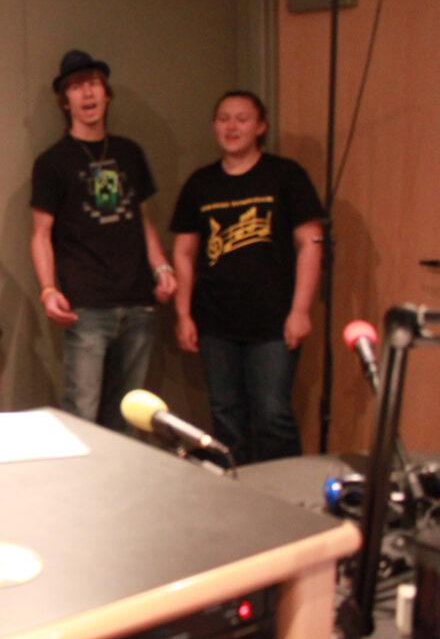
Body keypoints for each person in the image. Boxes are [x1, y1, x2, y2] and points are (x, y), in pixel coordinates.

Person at [169, 91, 323, 464]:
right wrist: (184, 314)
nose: (231, 126)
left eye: (241, 118)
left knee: (273, 416)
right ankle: (237, 497)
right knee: (226, 418)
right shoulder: (200, 184)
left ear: (260, 127)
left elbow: (311, 244)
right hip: (215, 323)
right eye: (223, 118)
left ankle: (289, 499)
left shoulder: (286, 176)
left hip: (273, 323)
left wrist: (301, 310)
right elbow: (184, 253)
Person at [29, 49, 177, 433]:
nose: (87, 94)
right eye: (77, 87)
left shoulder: (129, 153)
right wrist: (48, 289)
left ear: (106, 93)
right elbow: (40, 234)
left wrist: (160, 265)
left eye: (93, 84)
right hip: (87, 307)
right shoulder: (52, 162)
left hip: (138, 304)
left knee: (128, 417)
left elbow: (141, 218)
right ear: (65, 101)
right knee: (82, 414)